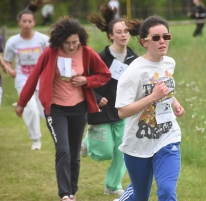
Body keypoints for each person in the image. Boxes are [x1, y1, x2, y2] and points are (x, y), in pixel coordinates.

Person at [15, 16, 111, 201]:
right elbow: (33, 77)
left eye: (75, 42)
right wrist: (22, 103)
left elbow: (104, 74)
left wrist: (87, 80)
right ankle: (65, 194)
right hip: (56, 109)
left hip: (79, 108)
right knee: (63, 149)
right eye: (67, 43)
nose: (72, 46)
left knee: (74, 153)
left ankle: (72, 190)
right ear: (60, 41)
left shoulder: (86, 52)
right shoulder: (50, 53)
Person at [113, 15, 185, 201]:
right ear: (145, 42)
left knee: (167, 191)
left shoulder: (169, 63)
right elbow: (122, 111)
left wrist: (174, 102)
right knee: (140, 197)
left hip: (167, 136)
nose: (162, 41)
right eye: (156, 38)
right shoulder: (134, 71)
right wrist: (152, 97)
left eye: (166, 37)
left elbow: (165, 89)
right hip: (139, 142)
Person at [81, 4, 138, 196]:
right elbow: (85, 81)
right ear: (110, 35)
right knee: (104, 152)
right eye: (119, 32)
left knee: (122, 150)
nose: (123, 35)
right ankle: (88, 143)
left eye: (126, 32)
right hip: (100, 110)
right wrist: (96, 98)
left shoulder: (133, 59)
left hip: (123, 111)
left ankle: (112, 186)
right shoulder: (99, 57)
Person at [3, 2, 49, 150]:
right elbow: (7, 61)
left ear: (34, 22)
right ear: (19, 23)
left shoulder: (43, 39)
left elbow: (52, 58)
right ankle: (36, 140)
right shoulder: (13, 42)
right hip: (23, 80)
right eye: (24, 21)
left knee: (42, 112)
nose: (27, 24)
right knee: (32, 110)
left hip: (41, 80)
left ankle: (22, 105)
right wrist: (9, 70)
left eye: (30, 21)